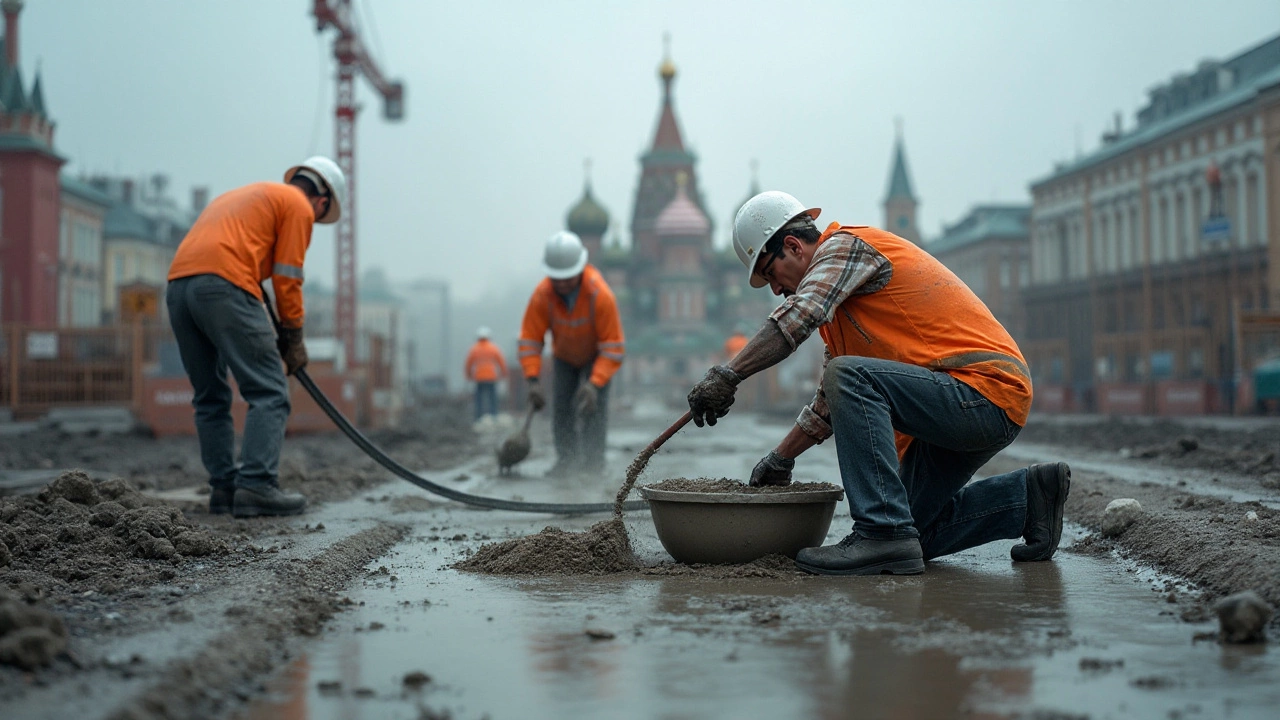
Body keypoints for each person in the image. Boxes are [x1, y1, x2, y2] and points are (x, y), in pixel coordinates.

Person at [686, 191, 1070, 576]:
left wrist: (728, 375)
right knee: (913, 535)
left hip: (983, 391)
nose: (775, 289)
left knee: (848, 380)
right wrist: (781, 457)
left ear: (792, 245)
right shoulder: (838, 314)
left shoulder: (845, 249)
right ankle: (1028, 499)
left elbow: (798, 317)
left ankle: (878, 532)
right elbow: (828, 405)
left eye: (770, 273)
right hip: (958, 408)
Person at [166, 156, 347, 518]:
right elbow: (288, 277)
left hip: (178, 288)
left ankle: (224, 488)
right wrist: (294, 337)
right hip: (223, 284)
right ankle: (257, 485)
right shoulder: (298, 207)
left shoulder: (249, 196)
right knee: (269, 391)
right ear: (322, 201)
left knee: (209, 396)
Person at [518, 231, 625, 476]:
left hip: (597, 357)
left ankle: (593, 464)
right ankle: (566, 460)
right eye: (557, 278)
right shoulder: (542, 296)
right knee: (562, 408)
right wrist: (532, 380)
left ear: (581, 268)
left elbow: (613, 347)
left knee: (592, 408)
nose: (563, 283)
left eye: (568, 277)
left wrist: (594, 384)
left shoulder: (600, 295)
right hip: (564, 357)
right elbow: (530, 341)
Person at [465, 326, 508, 421]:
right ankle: (494, 417)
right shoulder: (493, 348)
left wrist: (468, 375)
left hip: (479, 377)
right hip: (491, 377)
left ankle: (478, 417)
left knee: (479, 399)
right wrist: (503, 373)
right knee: (492, 398)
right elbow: (501, 362)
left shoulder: (474, 349)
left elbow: (468, 364)